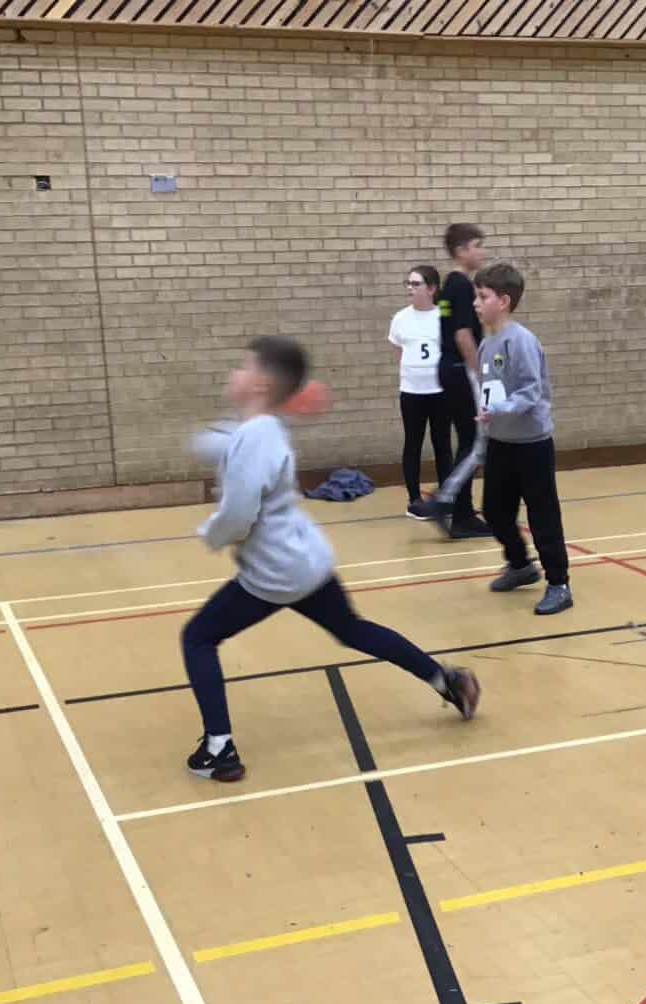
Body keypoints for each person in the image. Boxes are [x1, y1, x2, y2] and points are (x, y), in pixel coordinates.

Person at [182, 336, 480, 783]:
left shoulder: (254, 437)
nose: (234, 374)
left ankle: (219, 749)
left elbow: (240, 514)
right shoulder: (262, 429)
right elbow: (230, 444)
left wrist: (212, 534)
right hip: (306, 561)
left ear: (260, 384)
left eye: (243, 366)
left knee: (198, 637)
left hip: (276, 571)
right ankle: (447, 681)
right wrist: (209, 440)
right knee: (353, 629)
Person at [470, 261, 572, 616]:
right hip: (501, 442)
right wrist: (485, 437)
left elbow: (531, 391)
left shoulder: (521, 341)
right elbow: (487, 393)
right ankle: (520, 564)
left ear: (504, 301)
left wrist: (500, 409)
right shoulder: (487, 344)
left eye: (483, 296)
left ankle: (559, 583)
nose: (476, 303)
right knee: (495, 512)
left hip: (532, 445)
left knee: (543, 516)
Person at [408, 223, 491, 539]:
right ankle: (443, 499)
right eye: (477, 245)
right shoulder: (462, 287)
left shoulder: (448, 288)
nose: (481, 252)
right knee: (476, 444)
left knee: (469, 439)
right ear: (461, 251)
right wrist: (480, 374)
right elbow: (462, 334)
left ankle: (463, 515)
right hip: (459, 368)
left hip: (447, 368)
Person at [388, 264, 452, 518]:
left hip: (440, 392)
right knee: (413, 443)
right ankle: (414, 499)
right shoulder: (400, 318)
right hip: (412, 392)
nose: (410, 288)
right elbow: (398, 352)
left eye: (416, 284)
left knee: (442, 444)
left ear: (432, 289)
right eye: (408, 283)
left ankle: (446, 499)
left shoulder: (442, 316)